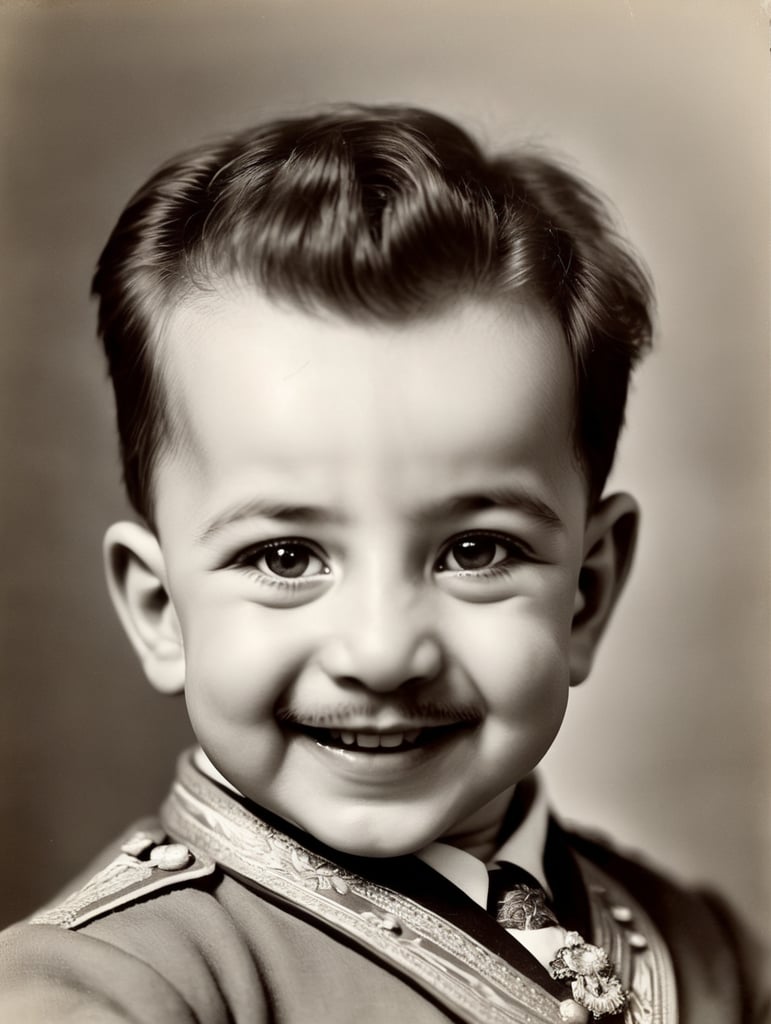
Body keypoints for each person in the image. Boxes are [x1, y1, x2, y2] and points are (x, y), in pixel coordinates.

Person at [0, 105, 766, 1024]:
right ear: (161, 609)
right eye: (286, 556)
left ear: (586, 595)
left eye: (474, 552)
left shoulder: (702, 954)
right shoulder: (119, 990)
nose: (382, 651)